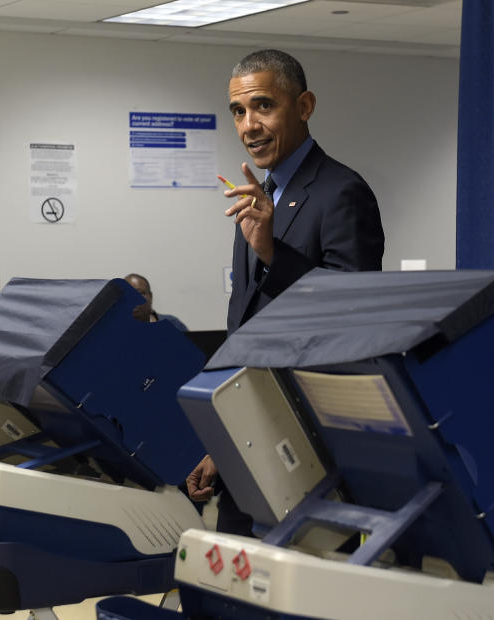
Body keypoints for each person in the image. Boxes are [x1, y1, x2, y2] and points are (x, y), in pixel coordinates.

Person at [186, 49, 385, 535]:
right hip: (249, 434)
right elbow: (246, 324)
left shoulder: (341, 192)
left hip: (308, 445)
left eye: (263, 106)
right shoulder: (258, 193)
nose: (249, 124)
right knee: (225, 592)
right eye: (238, 111)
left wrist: (274, 252)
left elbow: (350, 315)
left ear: (304, 106)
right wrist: (223, 435)